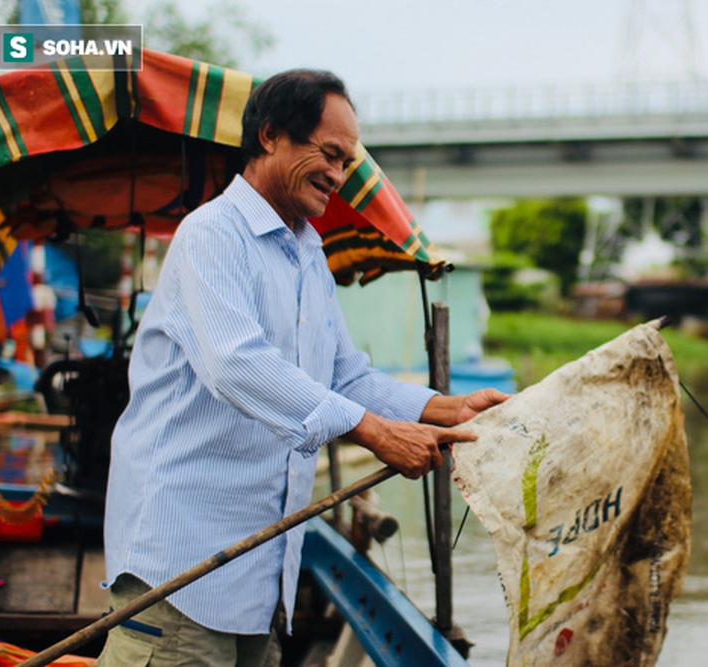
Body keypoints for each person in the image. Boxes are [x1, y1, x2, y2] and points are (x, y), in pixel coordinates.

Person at [97, 69, 508, 667]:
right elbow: (237, 364)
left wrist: (447, 409)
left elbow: (346, 377)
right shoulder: (212, 235)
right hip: (182, 569)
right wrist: (373, 430)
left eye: (346, 162)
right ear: (269, 136)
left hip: (263, 576)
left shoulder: (308, 255)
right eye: (329, 155)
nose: (338, 176)